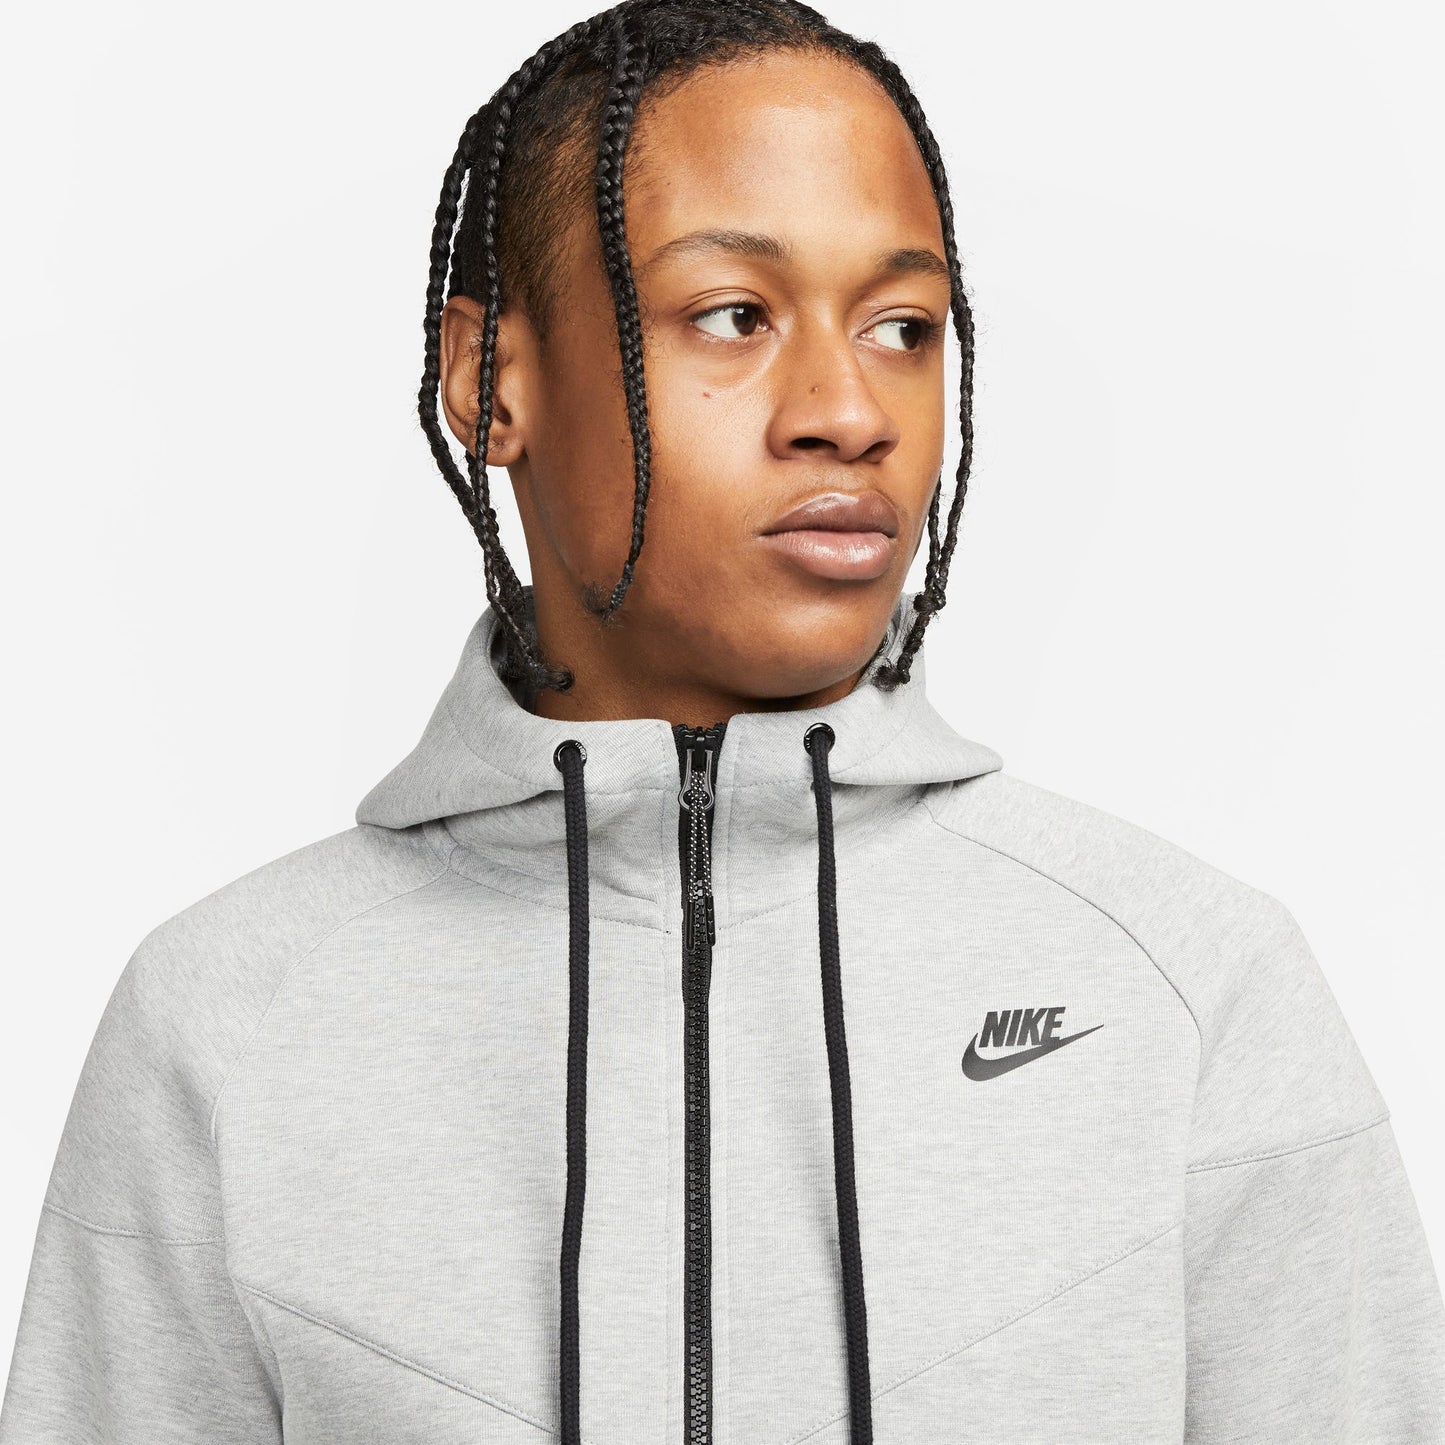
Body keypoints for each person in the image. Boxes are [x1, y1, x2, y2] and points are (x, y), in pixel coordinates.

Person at [2, 0, 1442, 1440]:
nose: (848, 411)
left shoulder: (1188, 987)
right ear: (489, 379)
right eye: (734, 315)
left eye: (902, 328)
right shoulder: (231, 1023)